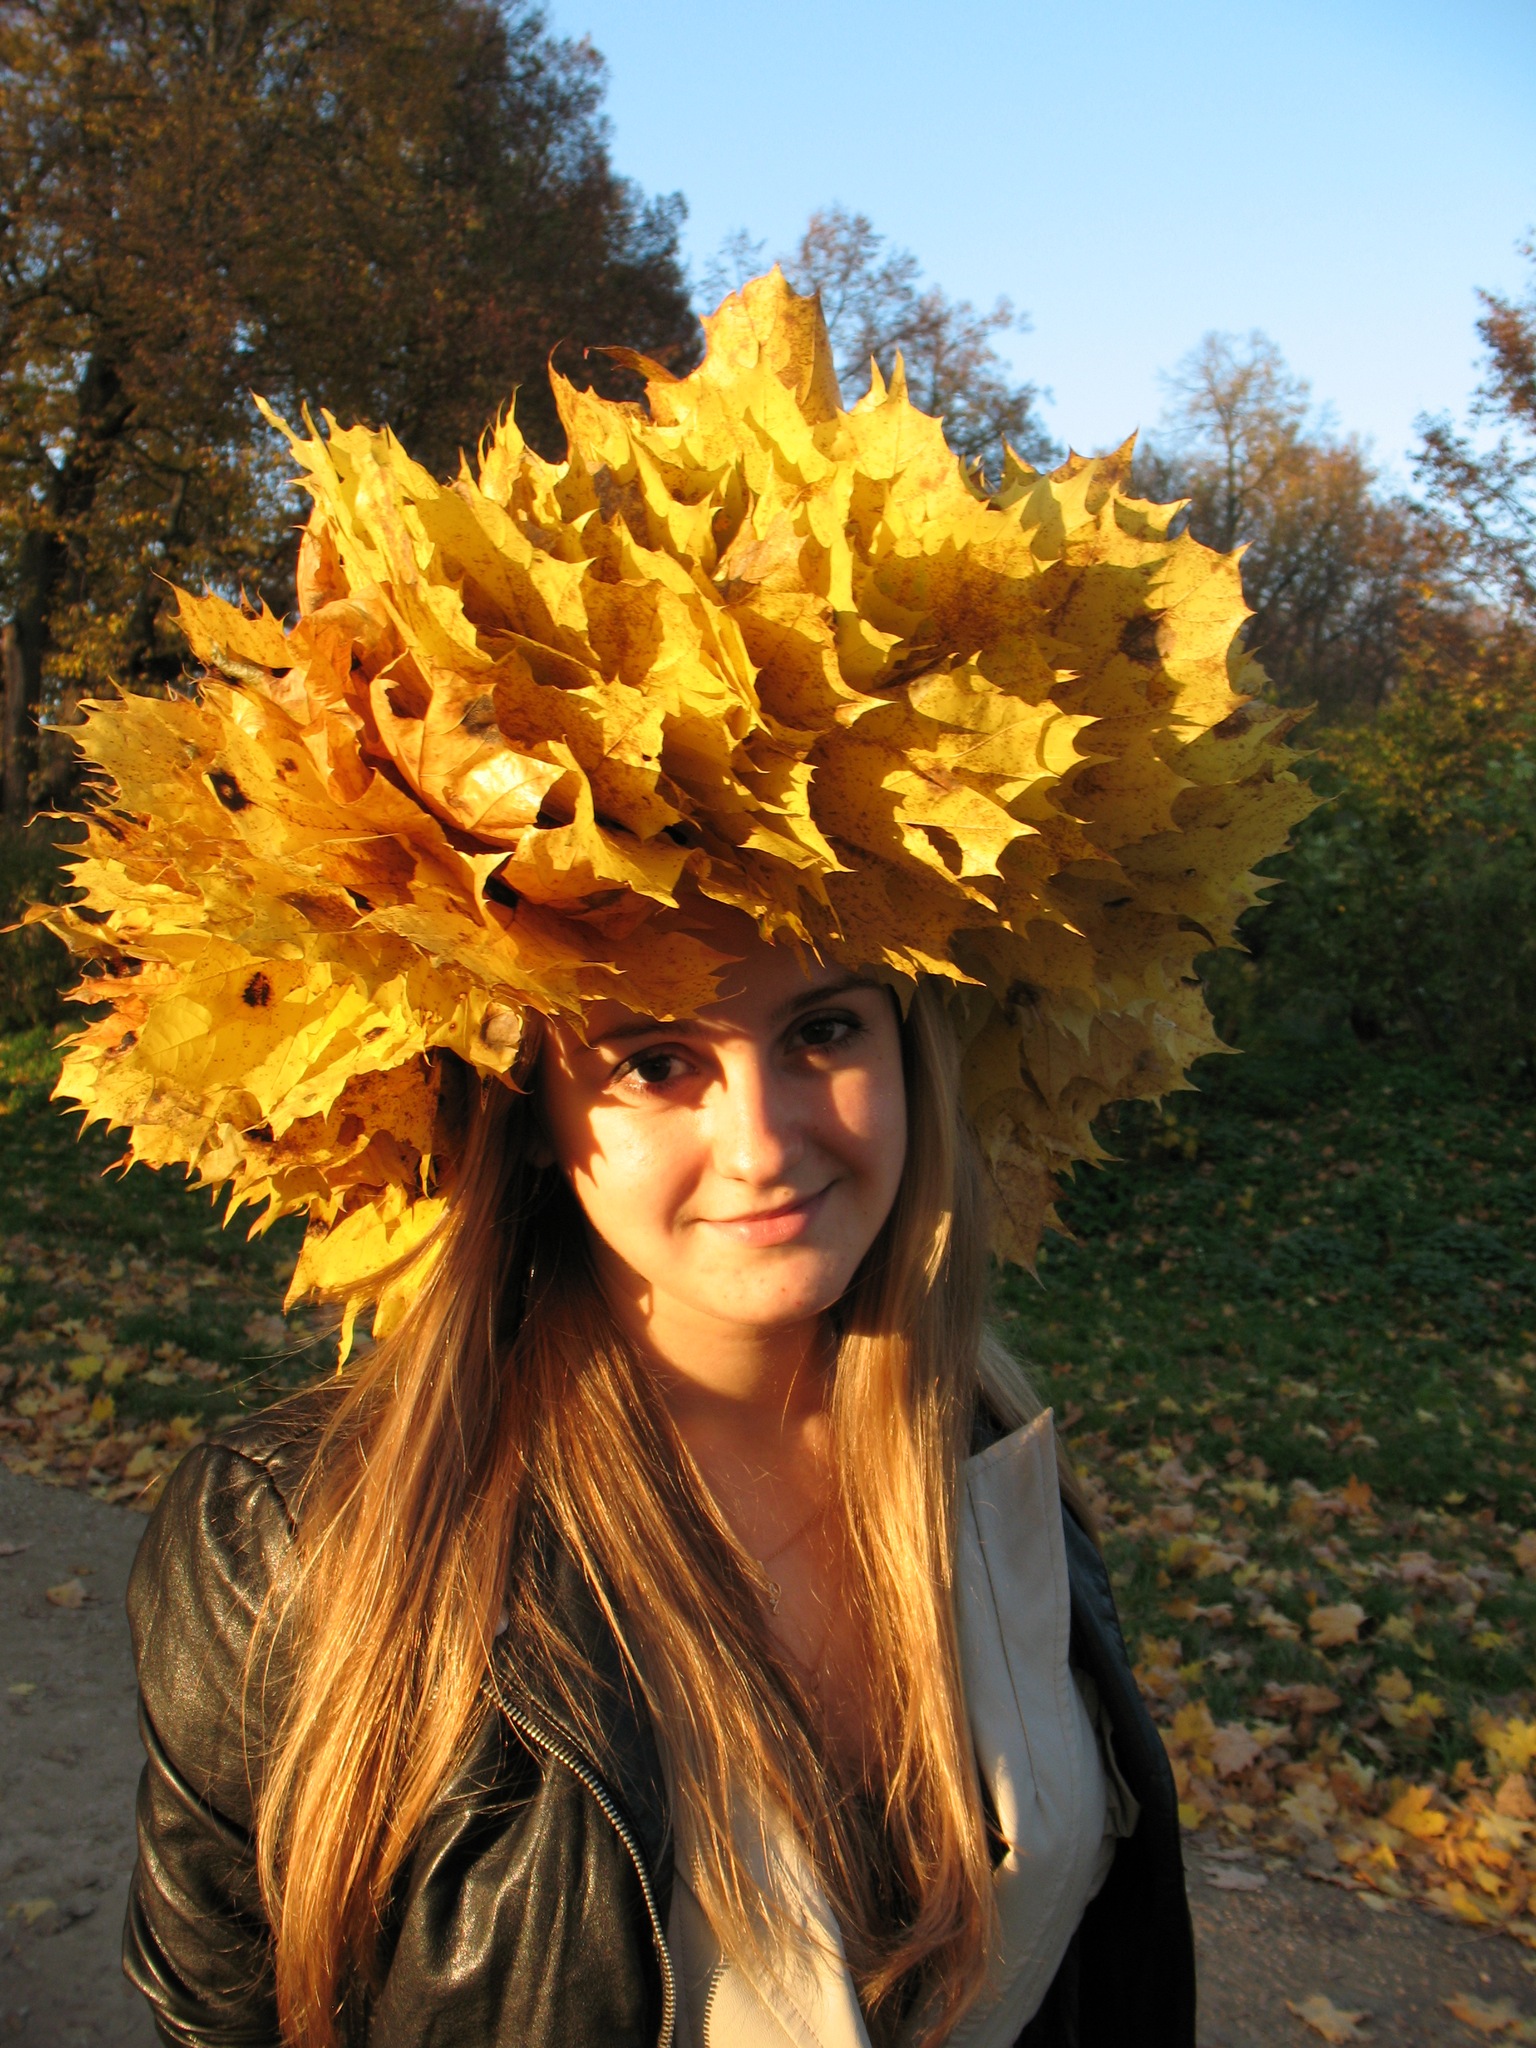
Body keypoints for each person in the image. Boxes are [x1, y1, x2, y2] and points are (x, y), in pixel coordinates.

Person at [42, 273, 1307, 2046]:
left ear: (917, 1050)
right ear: (527, 1114)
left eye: (825, 1032)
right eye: (654, 1060)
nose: (765, 1139)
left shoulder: (988, 1475)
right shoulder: (302, 1550)